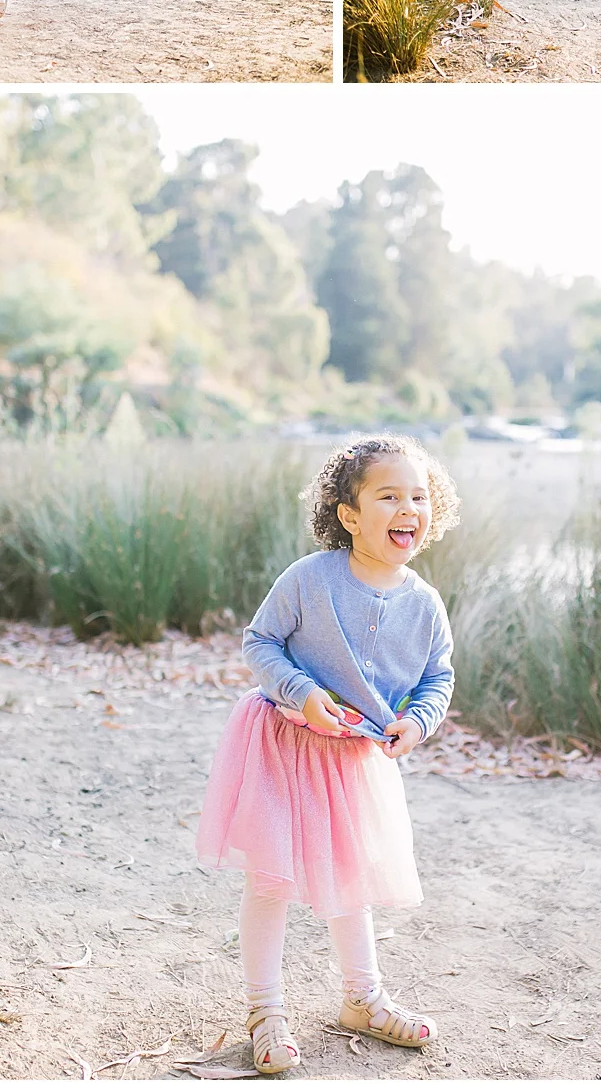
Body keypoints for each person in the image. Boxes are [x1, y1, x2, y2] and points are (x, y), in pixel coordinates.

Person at [197, 436, 459, 1073]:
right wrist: (303, 691)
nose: (408, 508)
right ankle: (265, 1009)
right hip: (284, 744)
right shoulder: (310, 579)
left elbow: (438, 678)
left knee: (352, 878)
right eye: (389, 495)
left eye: (418, 496)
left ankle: (362, 999)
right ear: (348, 513)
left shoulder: (424, 603)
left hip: (354, 761)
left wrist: (417, 722)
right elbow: (260, 642)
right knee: (272, 880)